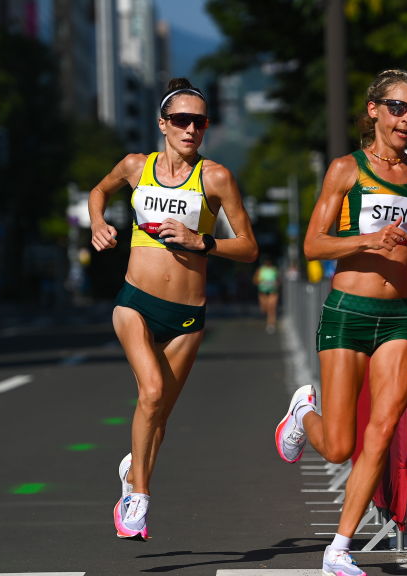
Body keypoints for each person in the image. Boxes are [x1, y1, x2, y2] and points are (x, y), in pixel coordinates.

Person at [274, 69, 407, 576]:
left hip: (399, 315)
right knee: (338, 445)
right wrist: (365, 241)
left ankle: (339, 547)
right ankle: (301, 413)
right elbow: (314, 244)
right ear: (374, 111)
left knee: (381, 431)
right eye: (398, 108)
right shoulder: (346, 171)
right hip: (347, 314)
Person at [89, 78, 258, 540]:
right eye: (181, 120)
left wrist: (201, 240)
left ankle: (132, 472)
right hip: (135, 302)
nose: (190, 129)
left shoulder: (216, 177)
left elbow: (248, 247)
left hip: (187, 314)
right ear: (162, 124)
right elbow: (98, 192)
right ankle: (138, 496)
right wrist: (98, 223)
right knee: (150, 393)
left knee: (159, 413)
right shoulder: (133, 166)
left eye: (199, 122)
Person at [254, 257, 280, 333]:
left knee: (271, 308)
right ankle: (268, 319)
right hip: (263, 292)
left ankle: (271, 324)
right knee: (265, 309)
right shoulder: (260, 270)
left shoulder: (274, 270)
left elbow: (278, 281)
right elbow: (255, 280)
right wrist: (261, 282)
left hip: (273, 292)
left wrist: (276, 284)